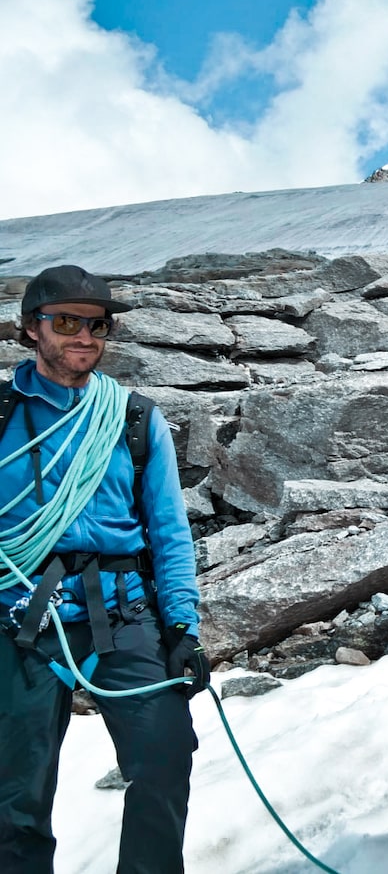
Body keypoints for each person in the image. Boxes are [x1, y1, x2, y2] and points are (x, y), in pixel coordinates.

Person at [0, 264, 208, 872]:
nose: (85, 336)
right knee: (16, 792)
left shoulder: (135, 418)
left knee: (166, 760)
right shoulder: (4, 417)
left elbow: (170, 532)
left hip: (124, 609)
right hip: (22, 616)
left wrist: (184, 627)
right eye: (67, 321)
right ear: (32, 329)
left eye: (98, 324)